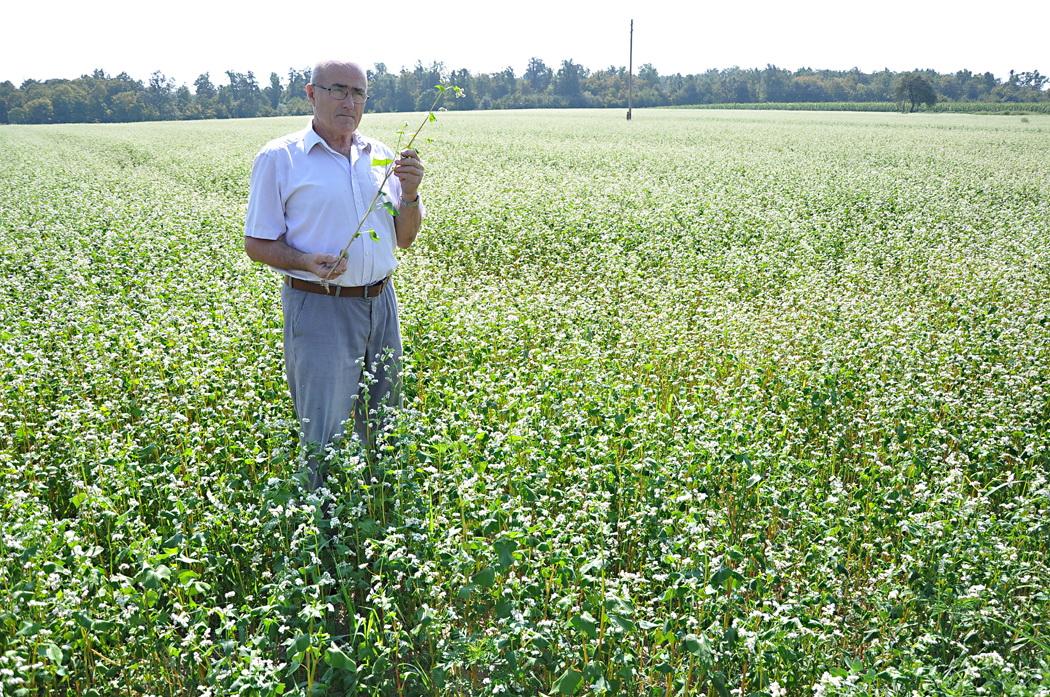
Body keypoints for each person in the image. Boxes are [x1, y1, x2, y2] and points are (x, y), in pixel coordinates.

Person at [244, 59, 424, 486]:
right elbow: (256, 243)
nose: (350, 101)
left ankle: (381, 511)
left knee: (385, 421)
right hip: (319, 306)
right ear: (311, 94)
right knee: (323, 430)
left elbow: (405, 238)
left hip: (382, 305)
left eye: (359, 93)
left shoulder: (381, 156)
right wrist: (306, 262)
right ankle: (321, 529)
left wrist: (412, 194)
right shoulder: (280, 158)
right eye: (338, 90)